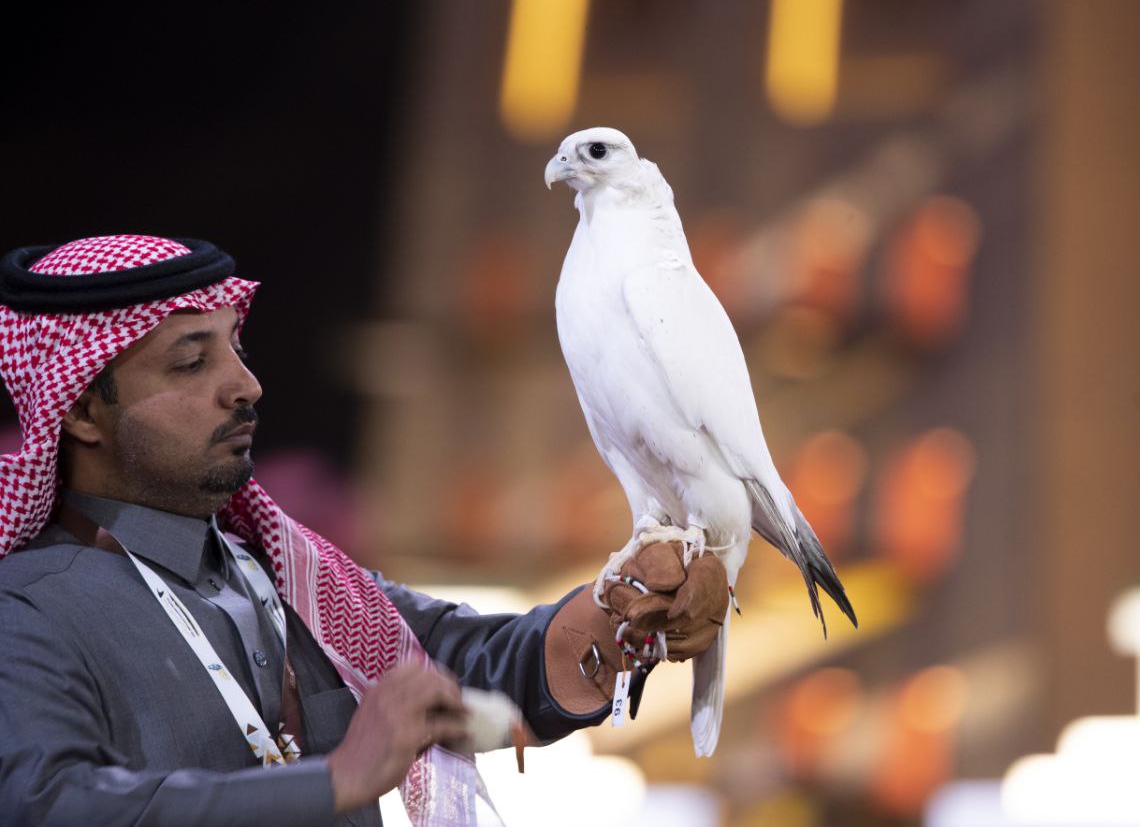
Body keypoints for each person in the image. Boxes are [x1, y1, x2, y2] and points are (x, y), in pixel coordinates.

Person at [0, 235, 730, 826]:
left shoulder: (284, 571)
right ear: (81, 411)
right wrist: (338, 779)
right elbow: (49, 805)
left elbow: (462, 663)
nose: (245, 384)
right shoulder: (25, 609)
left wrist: (629, 603)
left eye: (235, 349)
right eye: (192, 361)